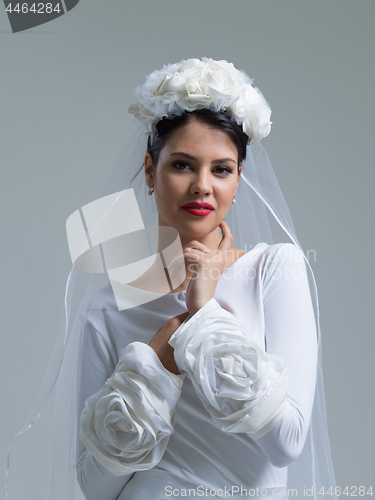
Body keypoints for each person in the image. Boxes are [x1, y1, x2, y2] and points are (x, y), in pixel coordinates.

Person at [6, 58, 336, 500]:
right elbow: (94, 486)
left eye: (222, 169)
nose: (203, 186)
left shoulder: (275, 269)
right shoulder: (109, 305)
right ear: (149, 170)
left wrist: (203, 315)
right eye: (182, 165)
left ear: (239, 180)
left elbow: (287, 442)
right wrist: (154, 369)